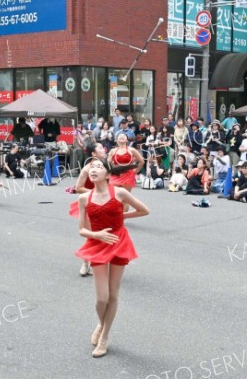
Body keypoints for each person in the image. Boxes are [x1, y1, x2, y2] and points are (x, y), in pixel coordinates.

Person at [74, 157, 149, 358]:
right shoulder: (84, 198)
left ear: (108, 175)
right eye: (91, 167)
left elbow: (144, 210)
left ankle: (105, 336)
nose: (94, 169)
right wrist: (96, 235)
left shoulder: (120, 192)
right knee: (101, 298)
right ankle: (101, 322)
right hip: (97, 243)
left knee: (113, 294)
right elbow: (81, 229)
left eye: (99, 167)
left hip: (118, 241)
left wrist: (122, 217)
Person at [69, 143, 108, 277]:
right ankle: (85, 263)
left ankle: (98, 262)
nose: (103, 149)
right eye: (100, 148)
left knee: (105, 234)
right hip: (89, 205)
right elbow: (78, 187)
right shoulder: (87, 169)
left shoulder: (106, 167)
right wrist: (95, 192)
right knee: (91, 235)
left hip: (104, 204)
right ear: (93, 154)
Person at [108, 134, 144, 198]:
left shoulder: (132, 150)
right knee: (113, 195)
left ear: (126, 140)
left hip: (128, 175)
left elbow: (141, 161)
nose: (122, 137)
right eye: (120, 136)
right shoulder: (113, 151)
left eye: (124, 136)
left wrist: (134, 172)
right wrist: (109, 173)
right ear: (116, 139)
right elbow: (108, 164)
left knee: (125, 197)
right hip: (116, 174)